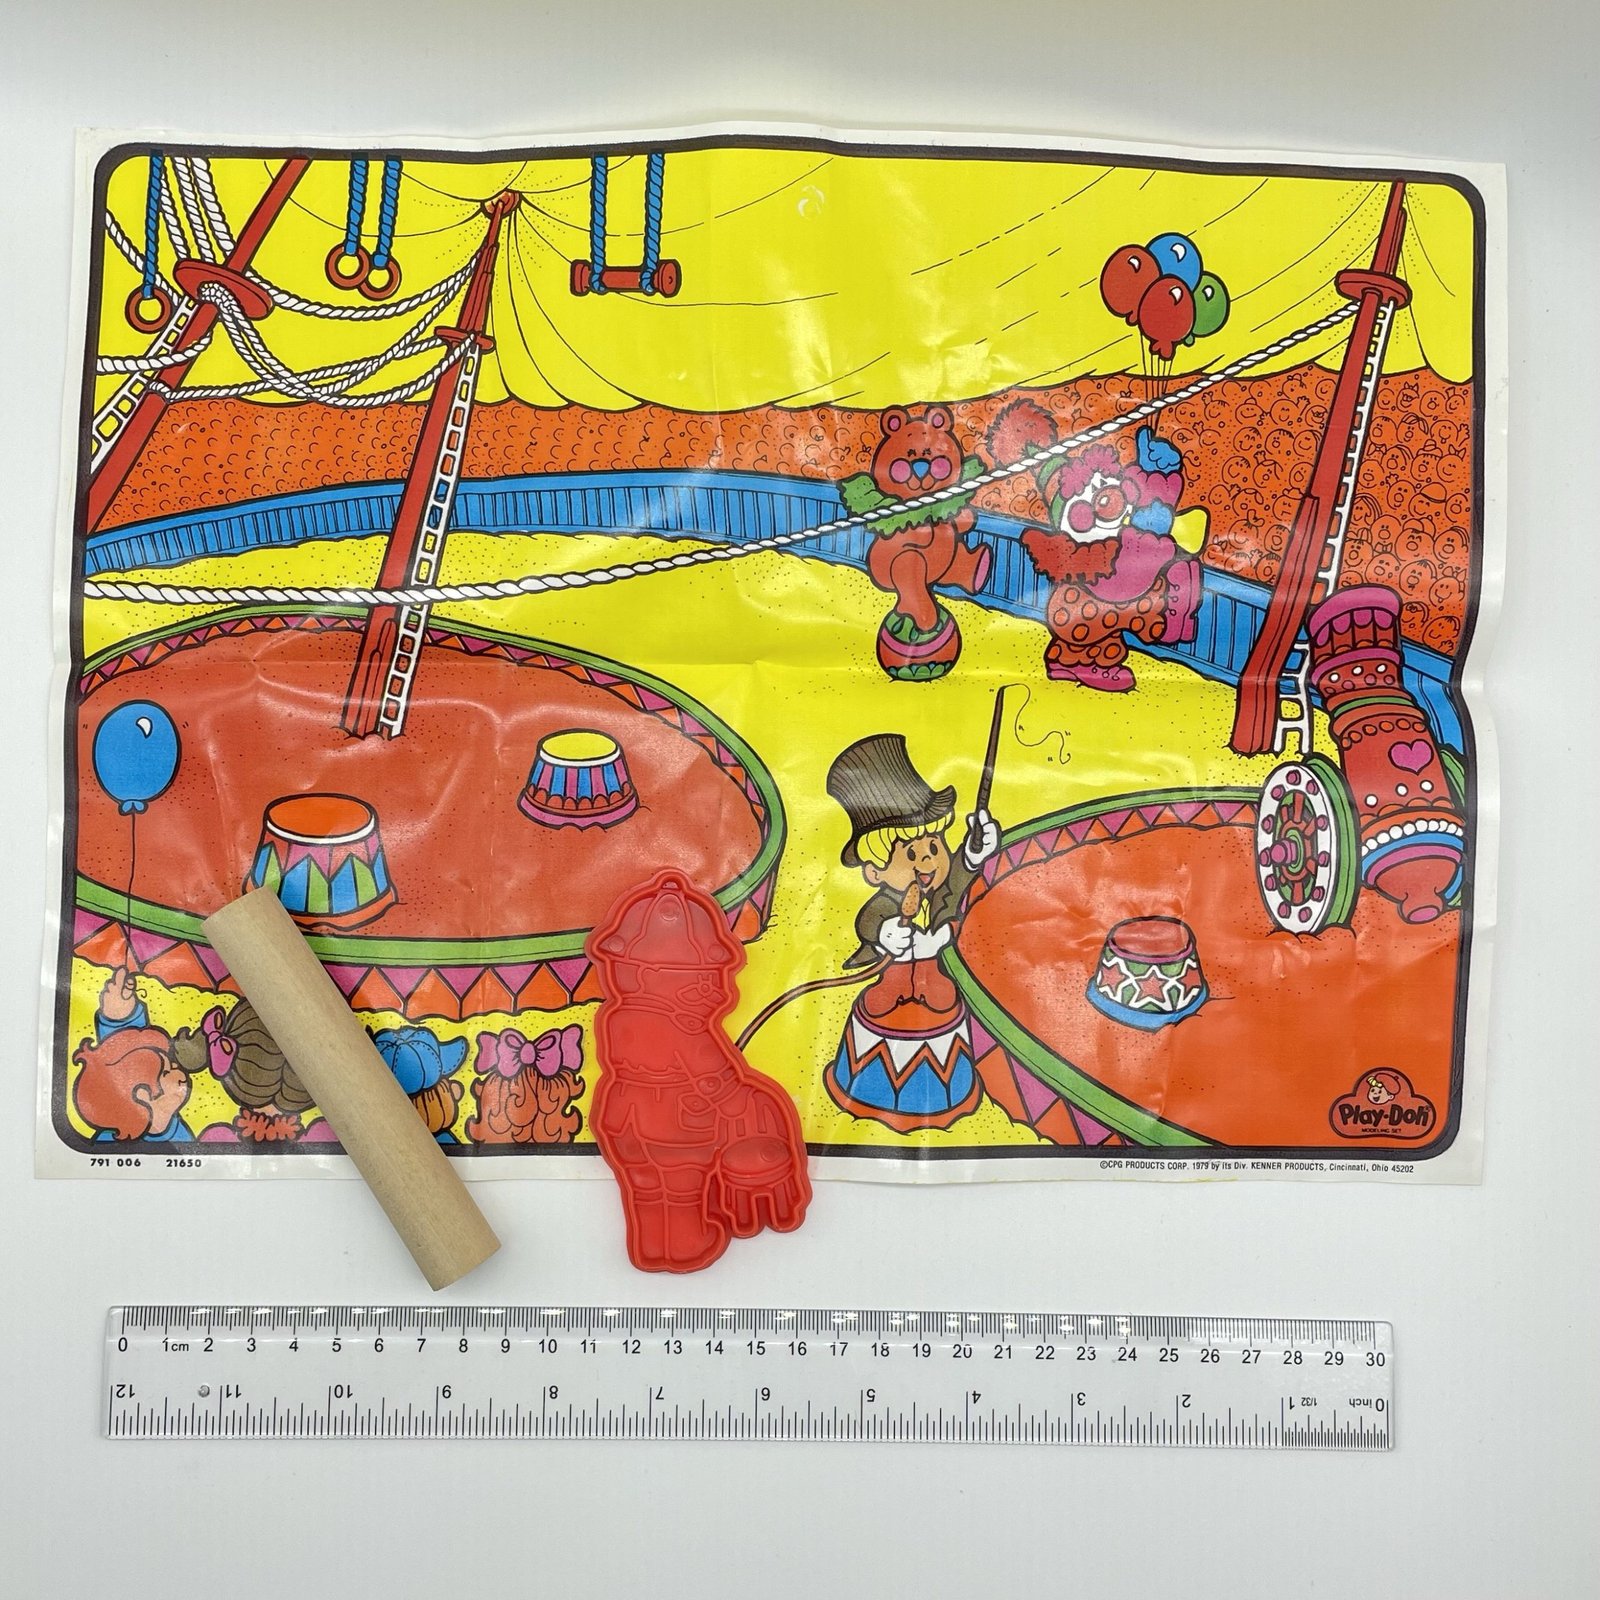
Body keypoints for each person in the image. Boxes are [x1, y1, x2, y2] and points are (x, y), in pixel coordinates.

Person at [71, 966, 206, 1142]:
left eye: (172, 1066)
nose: (181, 1075)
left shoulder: (175, 1130)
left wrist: (119, 1018)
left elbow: (129, 1060)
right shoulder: (109, 1145)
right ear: (142, 1095)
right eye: (166, 1072)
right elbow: (121, 1074)